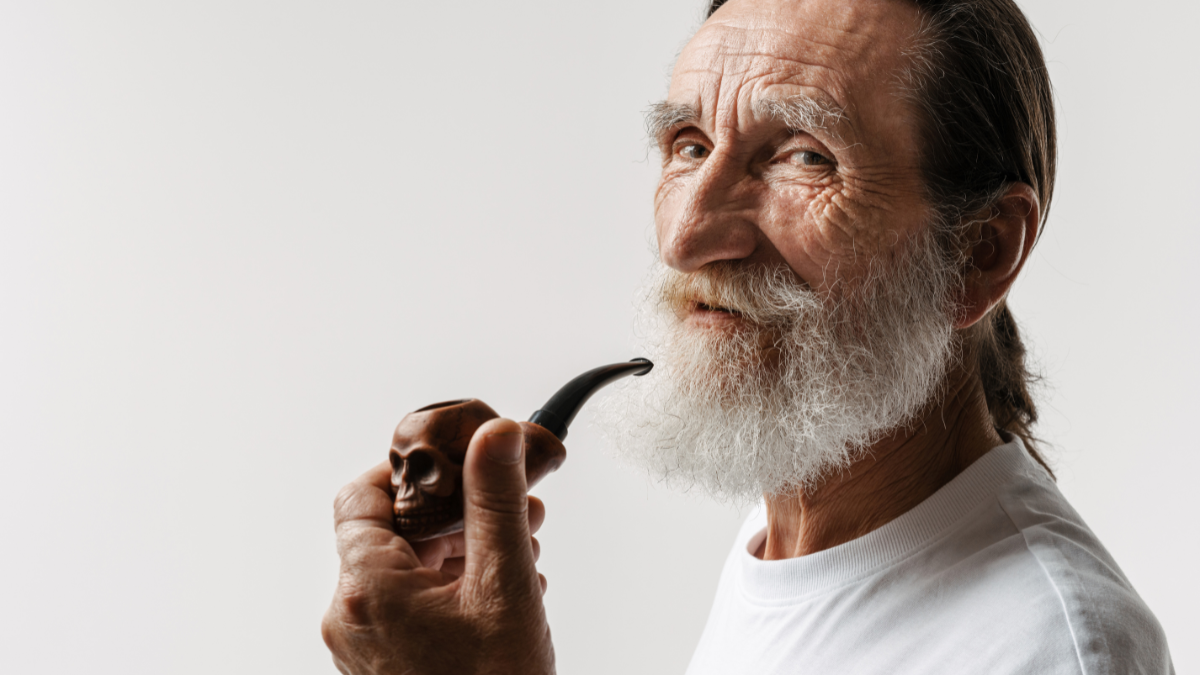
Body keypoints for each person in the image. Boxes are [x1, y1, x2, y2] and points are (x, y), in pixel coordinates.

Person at [321, 0, 1174, 672]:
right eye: (689, 144)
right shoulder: (793, 526)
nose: (686, 238)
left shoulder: (1049, 651)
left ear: (978, 254)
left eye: (804, 155)